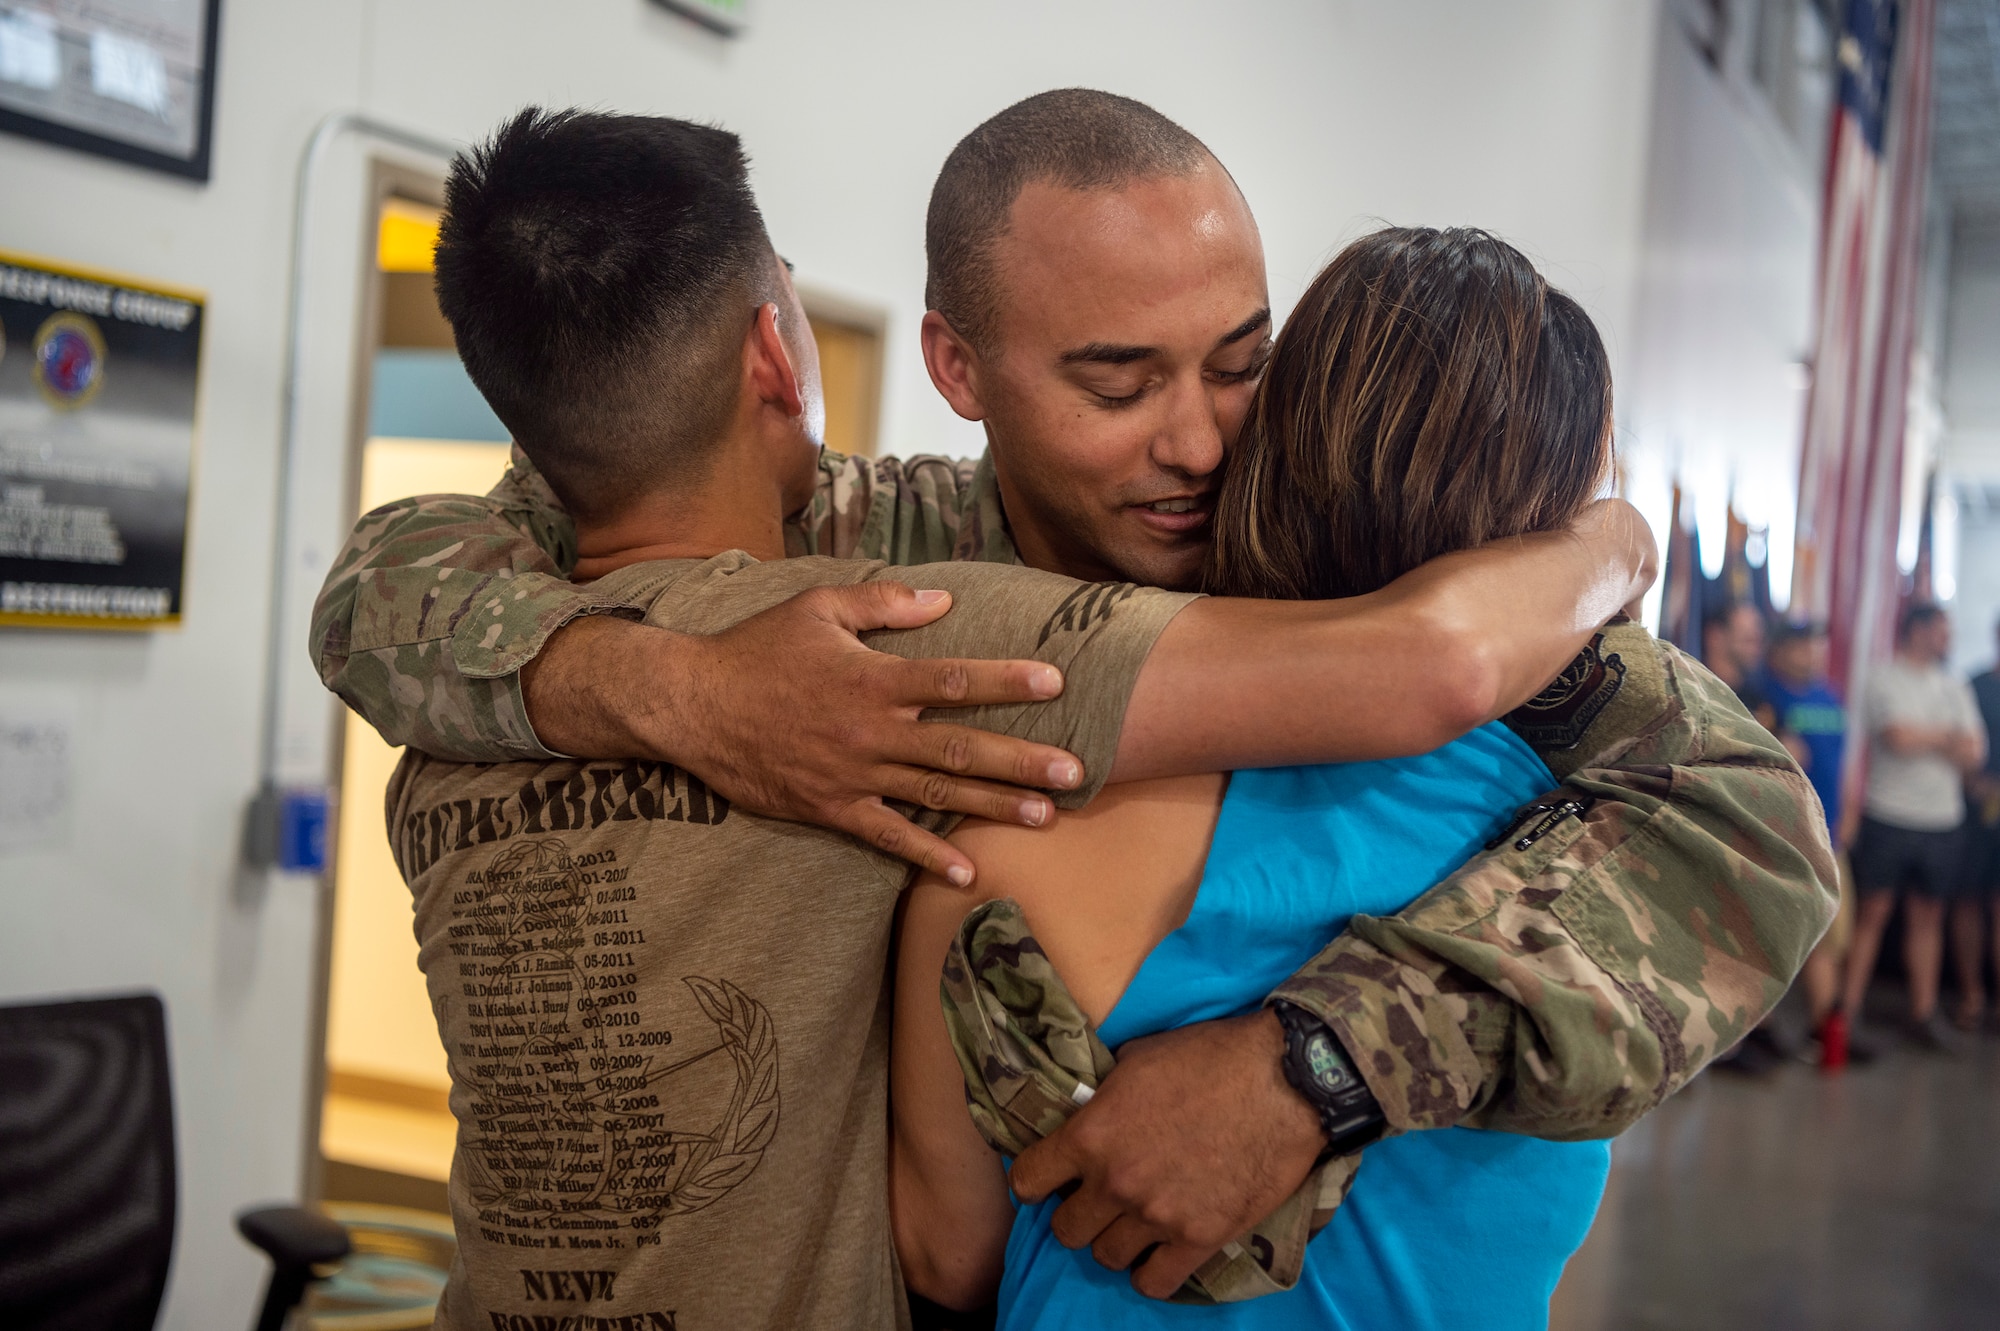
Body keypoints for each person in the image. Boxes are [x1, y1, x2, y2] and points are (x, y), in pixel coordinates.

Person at [316, 91, 1836, 1303]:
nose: (1195, 440)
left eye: (1239, 365)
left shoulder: (1338, 580)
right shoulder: (862, 549)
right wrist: (682, 689)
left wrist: (1328, 1057)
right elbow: (384, 588)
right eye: (1117, 385)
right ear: (959, 367)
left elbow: (1753, 835)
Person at [891, 228, 1633, 1328]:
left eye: (1237, 374)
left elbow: (945, 1254)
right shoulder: (1596, 882)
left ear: (1275, 441)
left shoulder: (1021, 823)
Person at [1840, 603, 1989, 1049]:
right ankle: (1844, 1011)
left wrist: (1931, 737)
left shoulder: (1953, 685)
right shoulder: (1883, 677)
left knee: (1929, 917)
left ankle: (1924, 1012)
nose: (1949, 639)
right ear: (1918, 631)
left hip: (1942, 820)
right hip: (1889, 813)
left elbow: (1975, 753)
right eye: (1942, 630)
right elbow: (1897, 739)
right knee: (1873, 914)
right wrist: (1947, 738)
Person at [1759, 620, 1861, 1057]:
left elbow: (1842, 763)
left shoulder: (1829, 696)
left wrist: (1850, 811)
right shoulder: (1764, 695)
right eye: (1799, 644)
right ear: (1780, 649)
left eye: (1815, 645)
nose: (1809, 653)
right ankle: (1757, 1034)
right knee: (1769, 937)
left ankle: (1827, 1031)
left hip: (1831, 833)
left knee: (1834, 938)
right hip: (1785, 833)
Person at [1952, 616, 2000, 1032]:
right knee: (1968, 902)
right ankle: (1972, 995)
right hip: (1975, 812)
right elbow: (1961, 742)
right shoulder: (1974, 685)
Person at [1702, 600, 1774, 730]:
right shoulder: (1695, 693)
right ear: (1716, 637)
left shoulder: (1759, 702)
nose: (1756, 649)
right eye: (1748, 640)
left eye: (1759, 641)